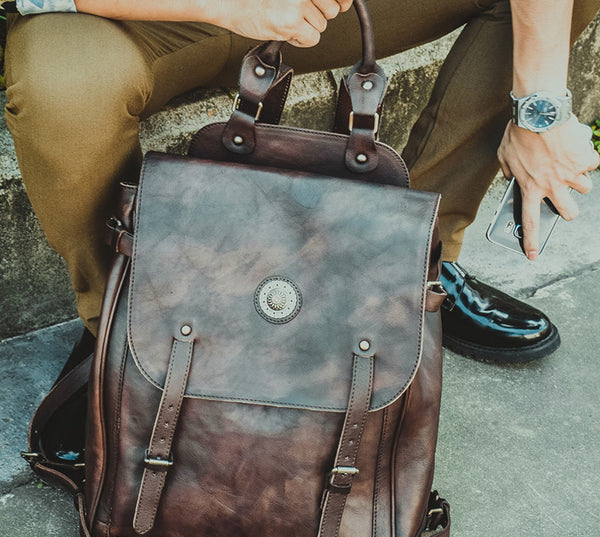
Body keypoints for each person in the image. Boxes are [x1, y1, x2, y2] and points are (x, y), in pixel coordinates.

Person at [3, 0, 599, 366]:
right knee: (63, 85)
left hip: (320, 11)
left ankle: (407, 266)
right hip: (127, 18)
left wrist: (539, 107)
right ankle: (123, 329)